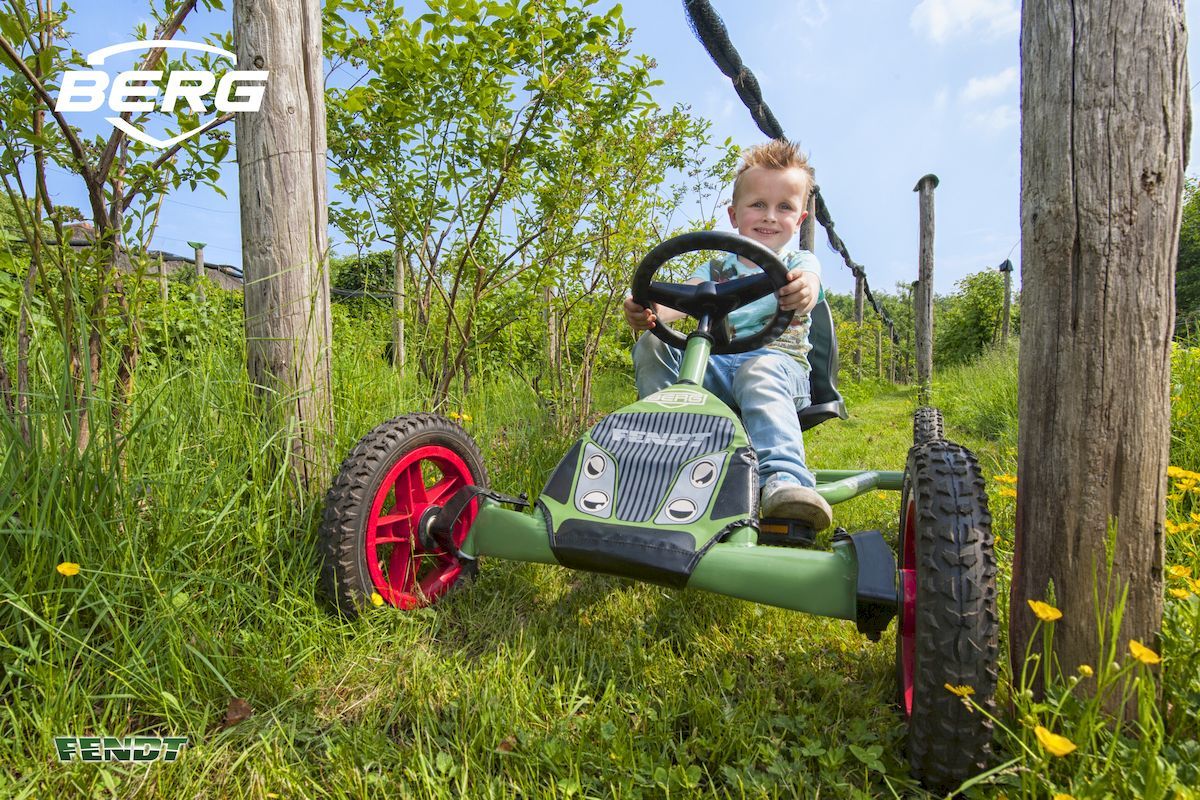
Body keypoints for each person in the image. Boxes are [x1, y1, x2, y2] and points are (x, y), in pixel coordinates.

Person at [622, 139, 833, 530]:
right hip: (719, 367)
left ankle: (783, 482)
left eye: (784, 207)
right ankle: (661, 456)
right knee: (653, 343)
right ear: (735, 215)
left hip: (781, 369)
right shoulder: (716, 267)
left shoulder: (798, 262)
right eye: (758, 205)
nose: (770, 216)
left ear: (799, 219)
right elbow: (680, 299)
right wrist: (649, 309)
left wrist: (804, 288)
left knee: (757, 370)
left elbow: (809, 283)